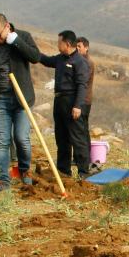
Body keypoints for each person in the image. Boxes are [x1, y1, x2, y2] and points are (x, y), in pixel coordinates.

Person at [0, 13, 40, 192]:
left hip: (21, 98)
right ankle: (3, 180)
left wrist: (14, 41)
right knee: (2, 139)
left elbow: (35, 56)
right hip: (0, 98)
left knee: (21, 138)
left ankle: (25, 171)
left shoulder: (22, 37)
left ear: (7, 26)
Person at [39, 29, 90, 178]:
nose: (57, 45)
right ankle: (63, 170)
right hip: (59, 101)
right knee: (61, 137)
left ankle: (83, 172)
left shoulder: (80, 62)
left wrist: (77, 106)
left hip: (72, 102)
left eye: (59, 42)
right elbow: (46, 60)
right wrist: (32, 52)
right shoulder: (61, 58)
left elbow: (82, 85)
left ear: (67, 44)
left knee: (77, 138)